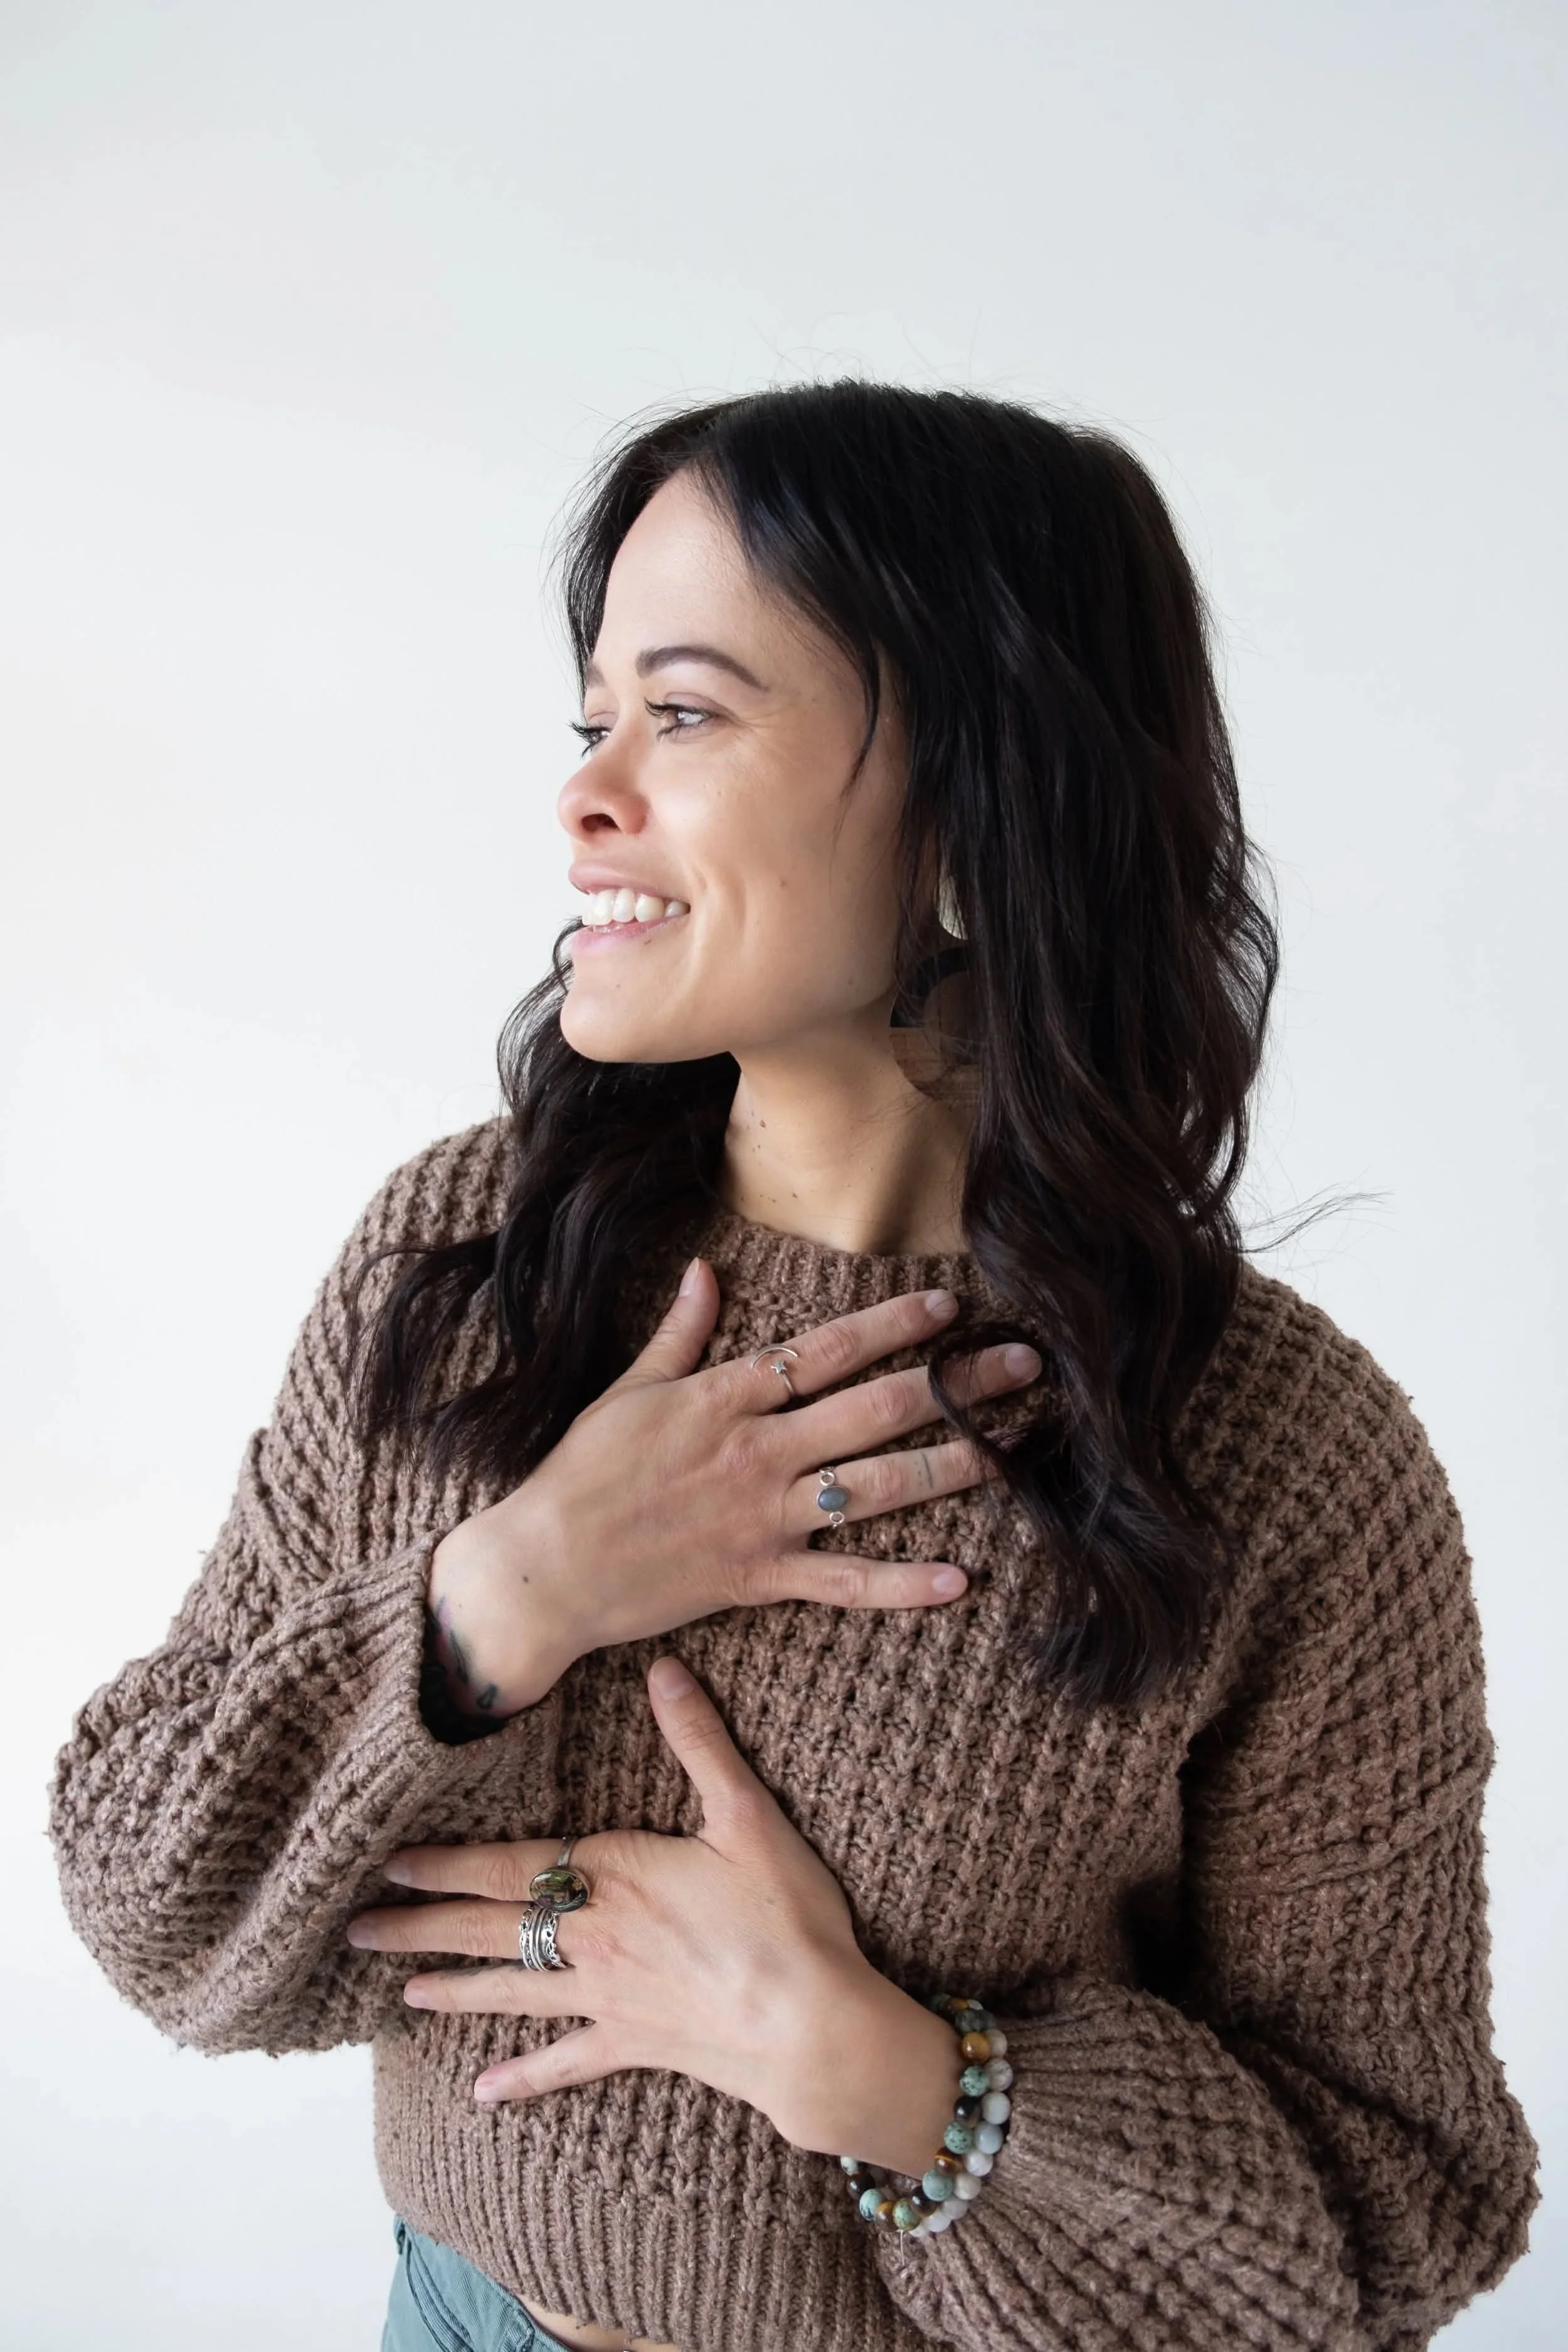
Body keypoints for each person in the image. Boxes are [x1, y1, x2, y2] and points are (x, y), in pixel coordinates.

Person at [51, 382, 1538, 2352]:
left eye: (682, 712)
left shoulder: (1276, 1455)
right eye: (589, 718)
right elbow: (159, 1910)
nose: (584, 796)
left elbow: (1386, 2217)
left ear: (972, 796)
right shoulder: (472, 1266)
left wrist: (895, 2078)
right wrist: (508, 1595)